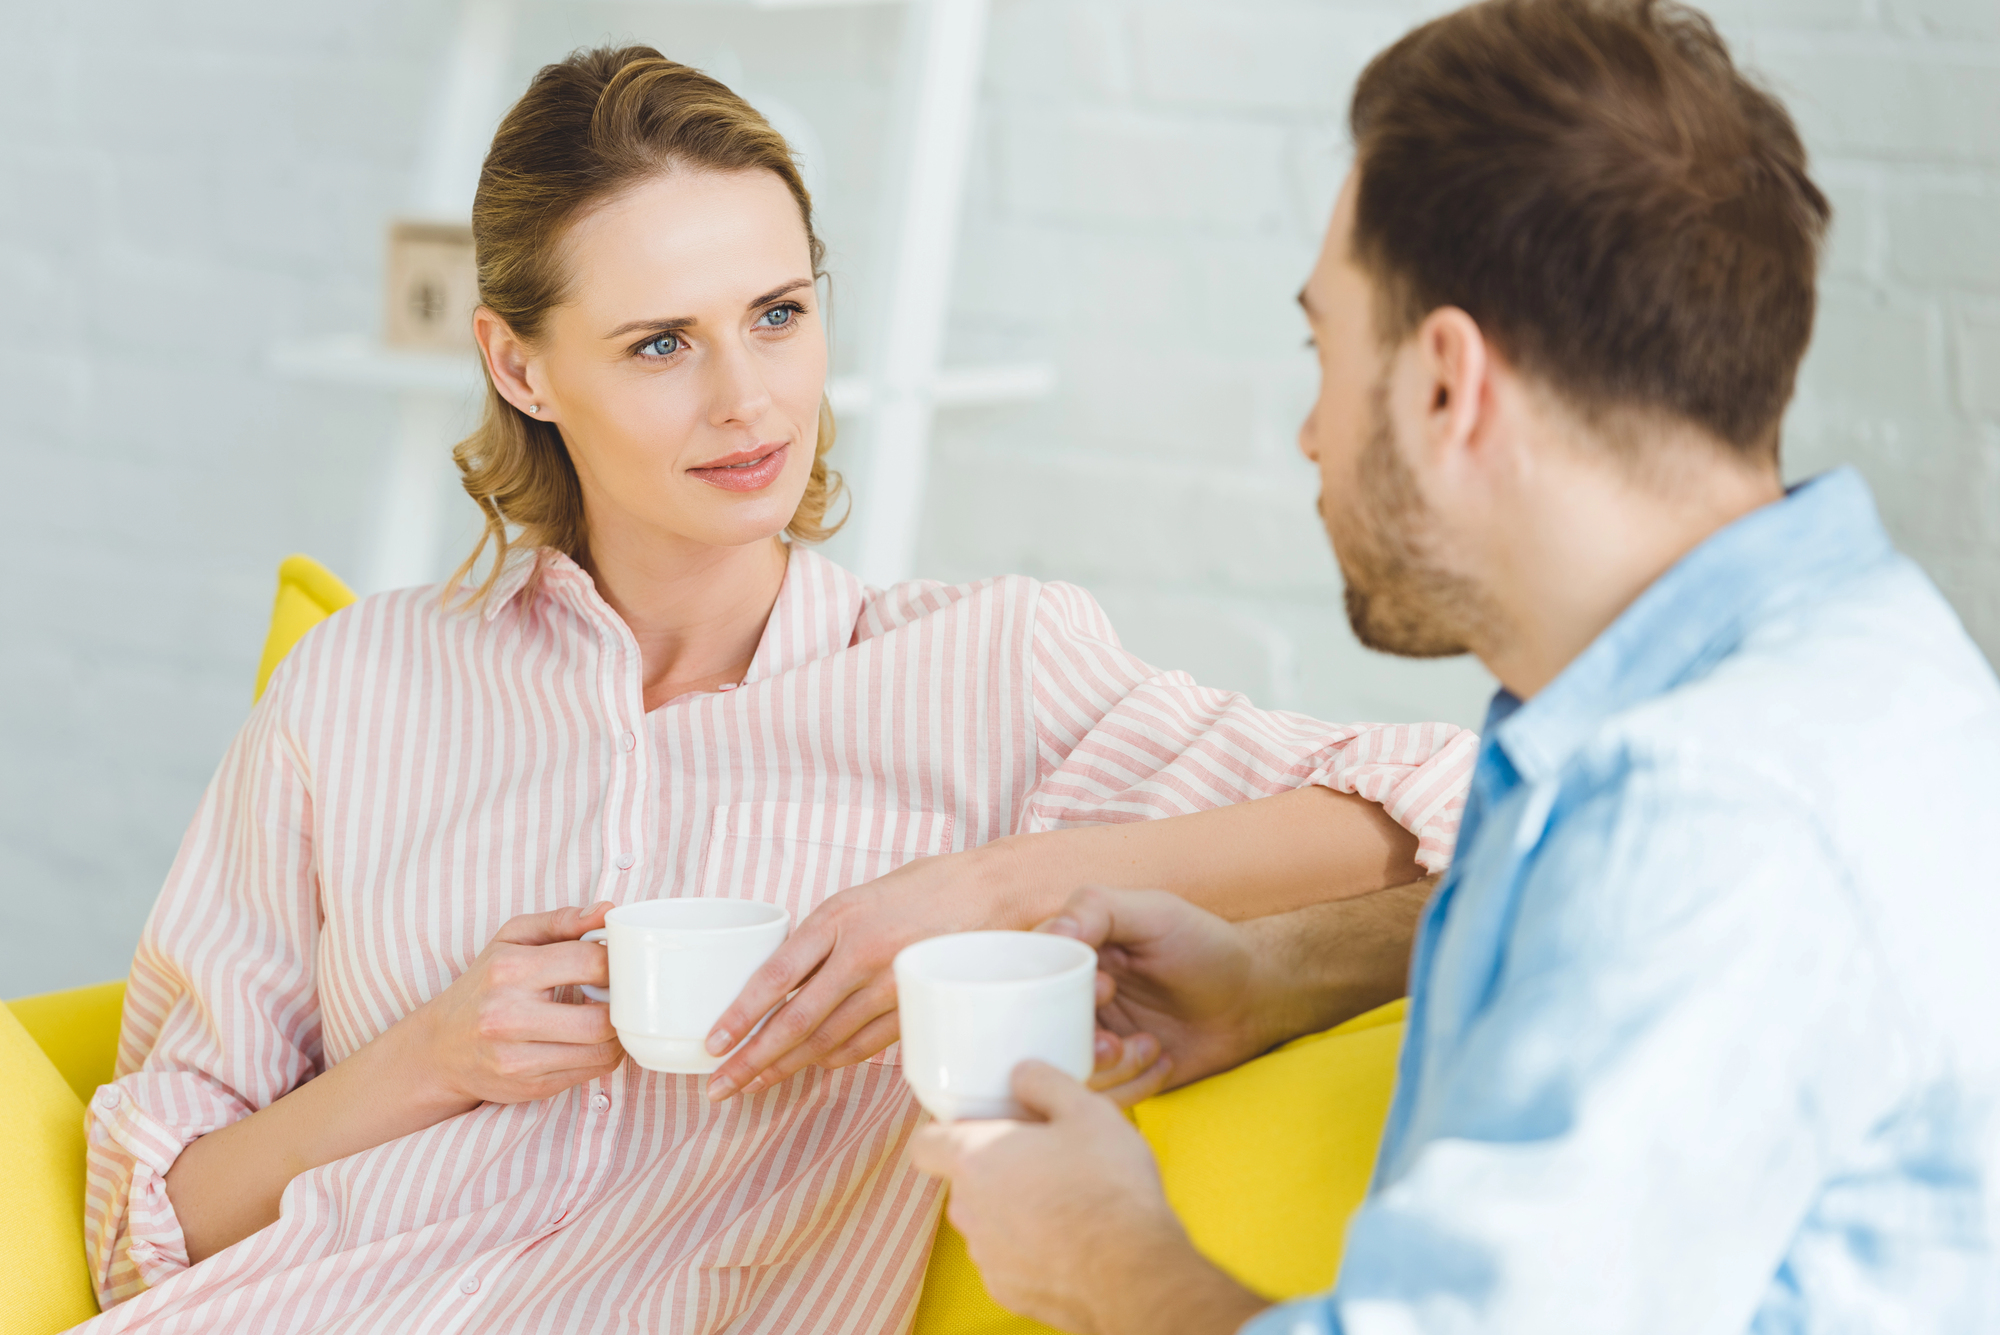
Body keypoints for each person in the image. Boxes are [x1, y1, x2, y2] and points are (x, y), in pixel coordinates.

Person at [78, 46, 1474, 1334]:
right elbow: (150, 1231)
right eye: (662, 343)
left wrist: (993, 886)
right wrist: (432, 1058)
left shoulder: (979, 674)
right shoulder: (356, 689)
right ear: (519, 365)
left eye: (779, 315)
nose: (748, 399)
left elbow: (1467, 807)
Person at [913, 1, 2000, 1331]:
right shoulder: (1854, 659)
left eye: (1325, 350)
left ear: (1446, 384)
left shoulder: (1704, 814)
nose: (1312, 435)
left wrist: (1099, 1257)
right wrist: (1277, 975)